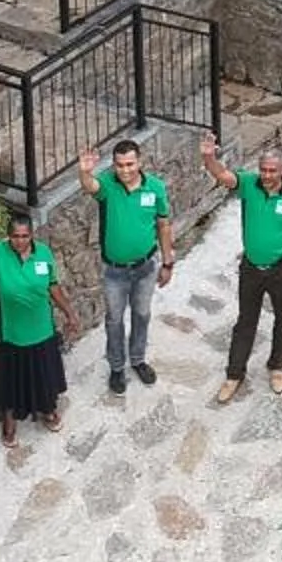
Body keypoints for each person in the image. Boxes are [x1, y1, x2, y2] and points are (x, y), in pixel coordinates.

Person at [200, 130, 282, 403]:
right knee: (245, 321)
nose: (268, 175)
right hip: (251, 268)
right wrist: (208, 157)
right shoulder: (249, 184)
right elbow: (223, 176)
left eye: (273, 170)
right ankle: (234, 374)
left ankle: (277, 366)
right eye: (264, 169)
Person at [0, 207, 79, 444]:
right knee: (12, 382)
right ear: (8, 236)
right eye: (15, 236)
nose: (20, 241)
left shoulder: (43, 254)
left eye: (25, 236)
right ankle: (10, 423)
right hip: (14, 334)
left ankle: (48, 410)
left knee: (44, 377)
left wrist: (69, 313)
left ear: (31, 235)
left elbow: (53, 286)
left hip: (42, 330)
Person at [78, 137, 174, 395]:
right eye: (120, 165)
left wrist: (167, 261)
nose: (125, 170)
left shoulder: (155, 188)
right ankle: (117, 367)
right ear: (114, 166)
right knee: (114, 320)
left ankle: (138, 359)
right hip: (115, 271)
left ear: (139, 162)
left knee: (142, 314)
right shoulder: (108, 186)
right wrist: (85, 172)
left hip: (146, 267)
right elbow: (91, 186)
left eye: (130, 164)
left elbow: (163, 225)